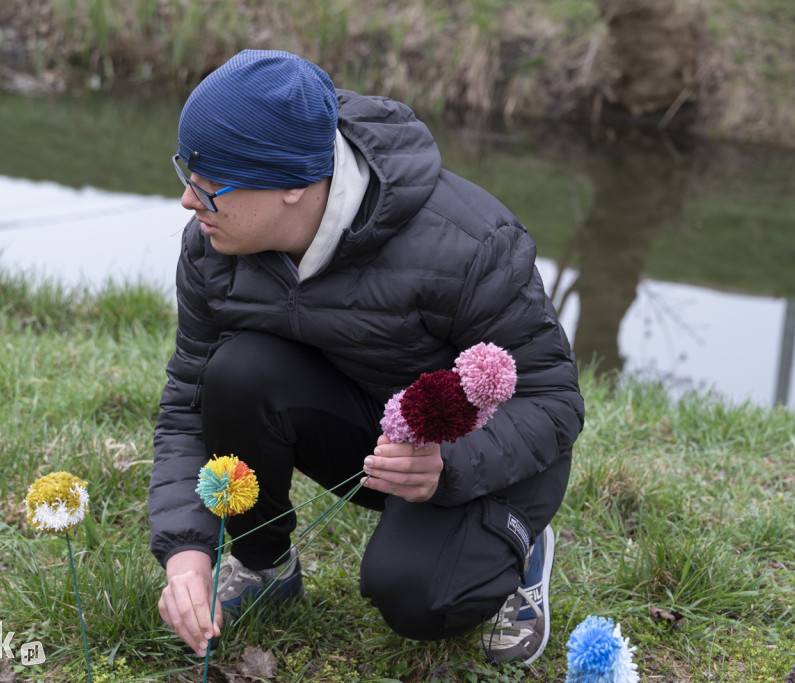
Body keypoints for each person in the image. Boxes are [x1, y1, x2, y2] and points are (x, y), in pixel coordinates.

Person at [150, 49, 584, 666]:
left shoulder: (470, 243)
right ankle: (262, 562)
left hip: (482, 455)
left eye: (210, 184)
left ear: (294, 184)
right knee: (235, 372)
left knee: (415, 597)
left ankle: (522, 548)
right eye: (185, 171)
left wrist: (448, 466)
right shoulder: (211, 251)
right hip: (370, 431)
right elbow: (188, 406)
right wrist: (187, 553)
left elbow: (553, 400)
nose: (189, 203)